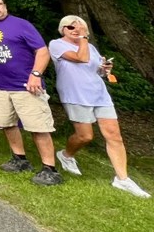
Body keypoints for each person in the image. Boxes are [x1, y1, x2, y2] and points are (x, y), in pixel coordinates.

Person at [49, 16, 150, 197]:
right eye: (71, 27)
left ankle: (122, 179)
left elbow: (96, 70)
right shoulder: (57, 45)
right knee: (85, 136)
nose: (75, 30)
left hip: (99, 94)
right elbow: (80, 58)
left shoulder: (91, 47)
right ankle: (66, 155)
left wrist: (105, 69)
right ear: (62, 29)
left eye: (80, 27)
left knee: (114, 135)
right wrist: (83, 39)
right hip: (76, 95)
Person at [0, 0, 62, 186]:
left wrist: (35, 75)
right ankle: (20, 159)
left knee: (38, 127)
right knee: (7, 123)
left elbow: (42, 51)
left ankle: (50, 169)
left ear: (5, 6)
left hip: (26, 86)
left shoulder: (22, 25)